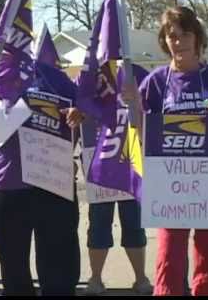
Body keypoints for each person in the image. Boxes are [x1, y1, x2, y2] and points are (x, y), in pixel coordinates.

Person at [125, 6, 208, 295]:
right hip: (171, 187)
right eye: (172, 36)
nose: (178, 41)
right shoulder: (157, 81)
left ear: (197, 38)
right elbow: (137, 133)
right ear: (165, 41)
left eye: (185, 34)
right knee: (168, 258)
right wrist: (132, 106)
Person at [0, 53, 85, 296]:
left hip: (54, 186)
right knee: (15, 277)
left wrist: (79, 113)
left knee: (60, 277)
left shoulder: (52, 78)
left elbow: (87, 109)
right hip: (5, 190)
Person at [83, 62, 153, 295]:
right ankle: (95, 279)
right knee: (99, 225)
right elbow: (77, 108)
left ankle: (141, 278)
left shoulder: (138, 73)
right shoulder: (90, 75)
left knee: (133, 223)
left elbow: (154, 109)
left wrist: (138, 102)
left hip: (130, 161)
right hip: (99, 160)